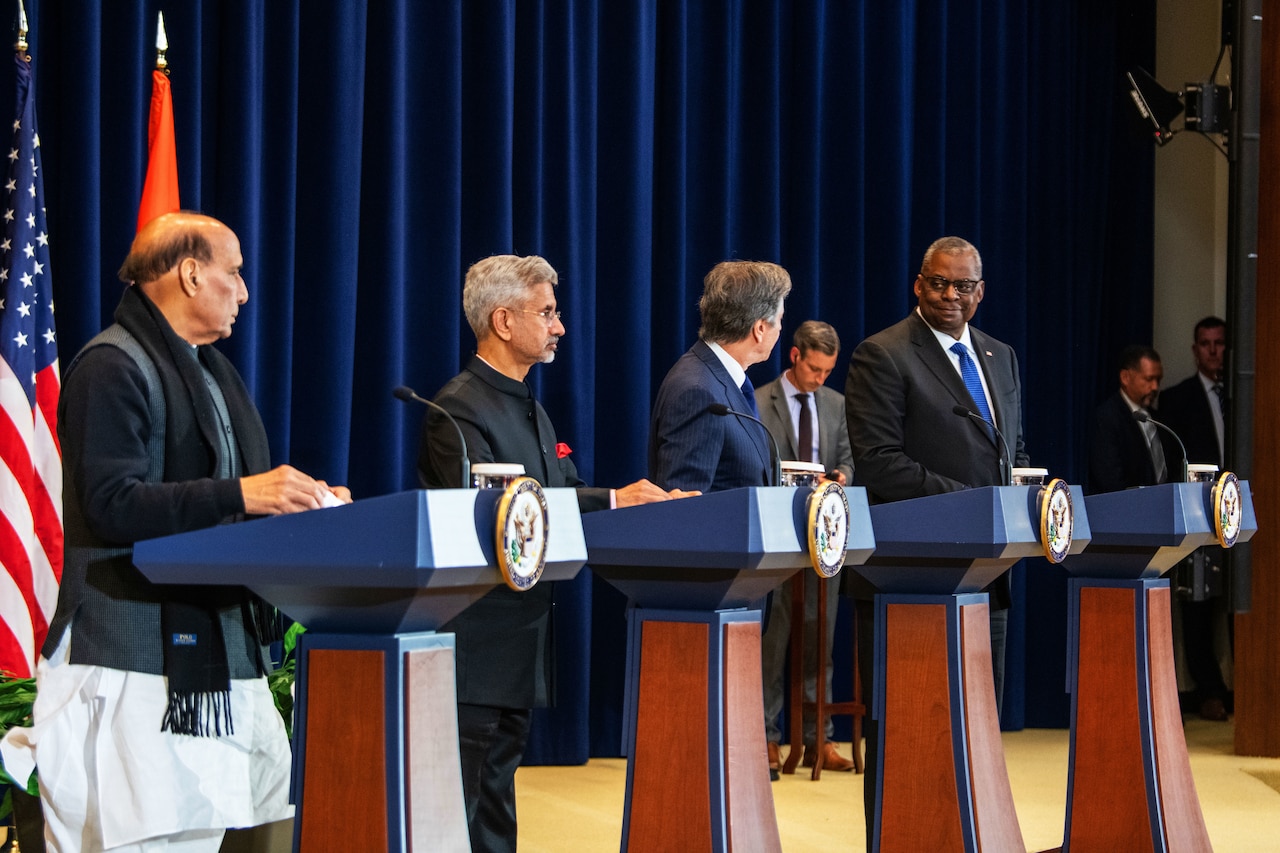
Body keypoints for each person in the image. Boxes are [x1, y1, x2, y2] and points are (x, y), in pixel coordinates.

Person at [1, 212, 351, 852]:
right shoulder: (110, 365)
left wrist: (304, 503)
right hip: (129, 653)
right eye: (234, 272)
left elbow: (216, 500)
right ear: (190, 273)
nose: (244, 291)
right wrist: (244, 493)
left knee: (201, 835)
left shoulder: (212, 374)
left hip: (211, 650)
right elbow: (110, 504)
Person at [416, 254, 691, 853]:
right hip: (476, 640)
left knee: (496, 793)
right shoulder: (457, 409)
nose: (559, 326)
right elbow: (492, 519)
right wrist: (613, 501)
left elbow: (558, 494)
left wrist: (624, 502)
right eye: (547, 313)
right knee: (461, 804)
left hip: (524, 632)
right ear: (503, 321)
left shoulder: (530, 405)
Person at [844, 236, 1029, 832]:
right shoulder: (884, 353)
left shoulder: (1000, 356)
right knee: (906, 726)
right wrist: (973, 504)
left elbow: (1010, 451)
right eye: (939, 283)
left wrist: (1024, 492)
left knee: (978, 719)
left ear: (981, 292)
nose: (951, 295)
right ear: (918, 285)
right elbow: (877, 463)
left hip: (987, 572)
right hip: (912, 574)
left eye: (964, 286)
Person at [756, 320, 857, 778]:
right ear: (795, 356)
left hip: (825, 537)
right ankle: (767, 737)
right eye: (814, 369)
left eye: (827, 372)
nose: (820, 379)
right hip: (777, 537)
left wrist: (840, 477)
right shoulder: (758, 401)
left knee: (822, 637)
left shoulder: (836, 405)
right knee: (774, 641)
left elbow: (849, 458)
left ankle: (820, 739)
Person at [648, 260, 792, 492]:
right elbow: (682, 506)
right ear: (760, 329)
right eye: (781, 319)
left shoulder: (721, 379)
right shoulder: (698, 391)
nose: (781, 329)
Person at [1156, 316, 1232, 721]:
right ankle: (1209, 691)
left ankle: (1249, 687)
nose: (1214, 351)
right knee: (1199, 606)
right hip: (1200, 516)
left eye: (1219, 343)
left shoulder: (1244, 391)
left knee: (1240, 603)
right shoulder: (1177, 399)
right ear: (1194, 349)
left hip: (1243, 513)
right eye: (1205, 344)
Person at [1087, 344, 1177, 495]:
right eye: (1149, 379)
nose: (1155, 387)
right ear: (1125, 377)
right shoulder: (1107, 418)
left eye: (1158, 379)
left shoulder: (1160, 419)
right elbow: (1110, 481)